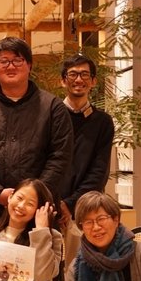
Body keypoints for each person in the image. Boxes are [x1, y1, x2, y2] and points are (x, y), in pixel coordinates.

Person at [0, 37, 74, 235]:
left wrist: (31, 197)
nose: (10, 66)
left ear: (29, 65)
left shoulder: (53, 107)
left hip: (37, 213)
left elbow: (60, 156)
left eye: (17, 60)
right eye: (4, 61)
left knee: (39, 255)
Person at [58, 54, 114, 226]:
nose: (78, 79)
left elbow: (99, 171)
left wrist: (70, 204)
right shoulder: (51, 116)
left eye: (84, 74)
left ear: (93, 81)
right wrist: (56, 203)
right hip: (53, 207)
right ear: (63, 81)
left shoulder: (103, 122)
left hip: (88, 208)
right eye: (73, 74)